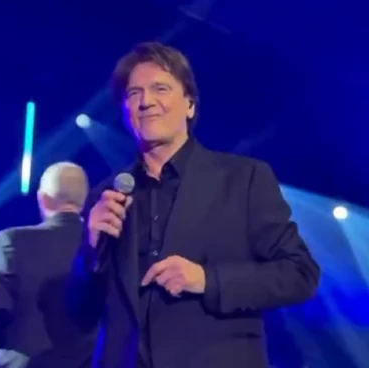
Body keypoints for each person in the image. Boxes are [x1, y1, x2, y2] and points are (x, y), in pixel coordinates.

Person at [68, 42, 320, 368]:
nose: (146, 101)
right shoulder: (105, 196)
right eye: (134, 93)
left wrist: (207, 280)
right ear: (125, 111)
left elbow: (300, 274)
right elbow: (78, 313)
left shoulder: (242, 179)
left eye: (160, 88)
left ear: (189, 104)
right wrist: (91, 249)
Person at [0, 162, 96, 368]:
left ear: (43, 199)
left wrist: (6, 356)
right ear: (84, 200)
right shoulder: (99, 246)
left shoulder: (12, 241)